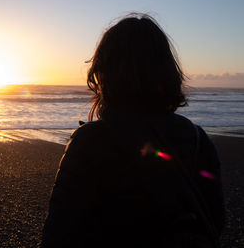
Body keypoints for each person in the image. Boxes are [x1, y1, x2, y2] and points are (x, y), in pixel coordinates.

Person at [41, 13, 224, 248]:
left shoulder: (89, 143)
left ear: (105, 72)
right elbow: (214, 220)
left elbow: (59, 232)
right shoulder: (198, 139)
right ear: (167, 71)